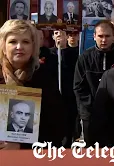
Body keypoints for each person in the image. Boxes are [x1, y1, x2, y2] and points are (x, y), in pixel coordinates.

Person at [0, 19, 67, 150]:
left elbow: (58, 127)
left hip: (32, 158)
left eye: (25, 42)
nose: (19, 47)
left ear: (33, 46)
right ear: (3, 46)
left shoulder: (44, 78)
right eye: (13, 41)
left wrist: (21, 145)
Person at [73, 20, 114, 144]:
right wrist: (91, 107)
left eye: (107, 36)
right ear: (94, 36)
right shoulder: (85, 58)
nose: (104, 40)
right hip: (91, 115)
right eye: (100, 36)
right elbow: (79, 87)